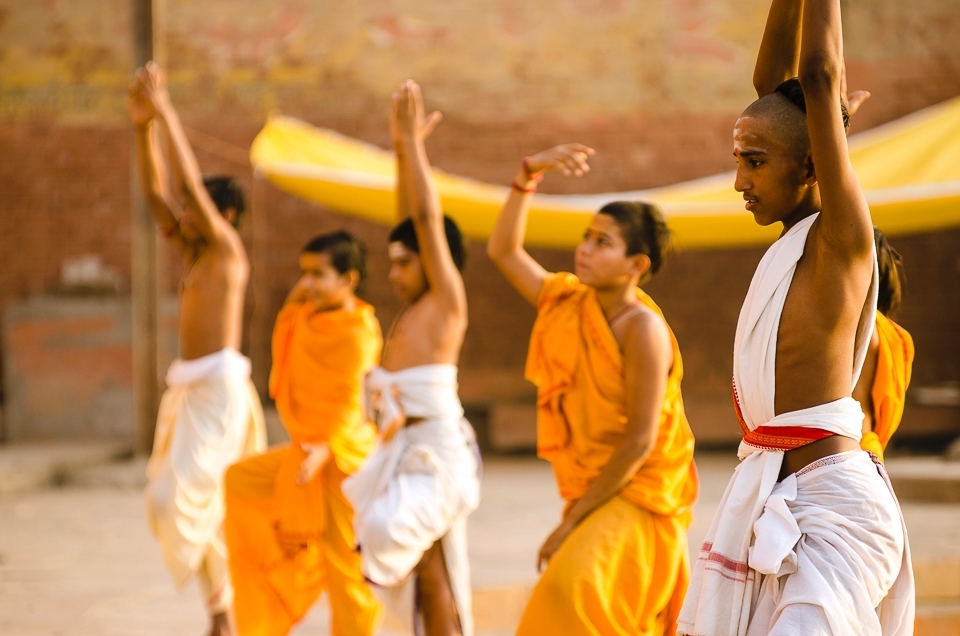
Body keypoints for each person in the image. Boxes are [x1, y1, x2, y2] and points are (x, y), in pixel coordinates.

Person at [677, 0, 914, 634]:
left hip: (834, 507)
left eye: (753, 162)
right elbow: (776, 92)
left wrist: (822, 86)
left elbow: (816, 78)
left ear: (811, 165)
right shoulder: (793, 237)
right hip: (778, 497)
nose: (738, 181)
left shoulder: (842, 237)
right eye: (738, 160)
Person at [487, 144, 698, 635]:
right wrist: (526, 176)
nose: (584, 249)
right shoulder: (568, 301)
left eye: (602, 242)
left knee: (571, 594)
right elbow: (503, 251)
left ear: (636, 265)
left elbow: (641, 442)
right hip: (599, 492)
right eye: (586, 237)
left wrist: (570, 524)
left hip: (641, 496)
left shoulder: (642, 329)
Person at [130, 62, 266, 636]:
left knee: (174, 501)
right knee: (189, 505)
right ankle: (221, 614)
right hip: (187, 393)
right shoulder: (192, 257)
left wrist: (168, 112)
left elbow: (185, 191)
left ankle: (228, 610)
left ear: (223, 216)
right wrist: (142, 129)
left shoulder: (228, 250)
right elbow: (159, 194)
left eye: (197, 212)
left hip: (219, 394)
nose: (182, 218)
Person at [341, 80, 481, 636]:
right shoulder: (412, 307)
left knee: (385, 531)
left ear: (432, 260)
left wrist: (414, 147)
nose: (393, 273)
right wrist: (400, 150)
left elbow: (424, 220)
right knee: (425, 572)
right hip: (401, 451)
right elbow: (409, 223)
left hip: (437, 455)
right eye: (391, 262)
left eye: (404, 263)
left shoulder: (446, 302)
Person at [223, 232, 383, 635]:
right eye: (304, 273)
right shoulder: (304, 315)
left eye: (319, 274)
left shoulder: (358, 329)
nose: (307, 283)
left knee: (345, 572)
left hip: (342, 458)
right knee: (239, 479)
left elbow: (351, 402)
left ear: (349, 279)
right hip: (304, 454)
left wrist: (326, 449)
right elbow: (295, 300)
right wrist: (312, 275)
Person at [853, 229, 914, 462]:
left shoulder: (866, 326)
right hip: (863, 449)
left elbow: (858, 406)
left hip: (854, 450)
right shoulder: (888, 331)